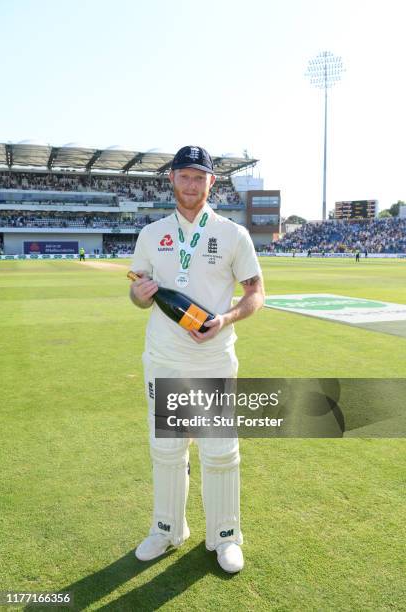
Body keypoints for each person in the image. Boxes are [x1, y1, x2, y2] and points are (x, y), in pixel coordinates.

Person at [129, 145, 264, 573]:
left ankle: (225, 536)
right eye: (184, 176)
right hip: (165, 358)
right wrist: (138, 294)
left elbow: (256, 293)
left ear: (211, 183)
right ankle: (167, 529)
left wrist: (224, 319)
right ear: (172, 179)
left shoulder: (232, 234)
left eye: (198, 177)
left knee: (220, 452)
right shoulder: (151, 234)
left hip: (213, 361)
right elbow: (137, 294)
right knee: (167, 450)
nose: (191, 184)